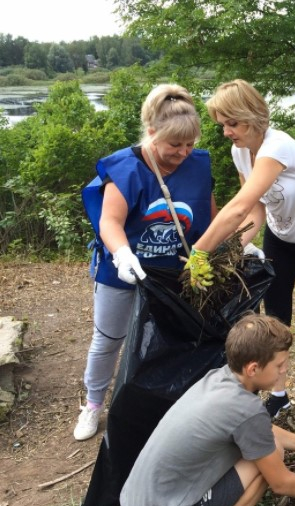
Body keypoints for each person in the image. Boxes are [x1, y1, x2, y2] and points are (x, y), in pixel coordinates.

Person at [120, 313, 295, 506]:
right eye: (280, 365)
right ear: (253, 368)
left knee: (263, 447)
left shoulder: (218, 378)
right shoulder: (247, 409)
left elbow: (253, 428)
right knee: (270, 458)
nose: (285, 370)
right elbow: (280, 482)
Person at [185, 79, 295, 417]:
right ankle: (280, 393)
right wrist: (233, 249)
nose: (226, 132)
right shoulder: (240, 151)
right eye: (222, 124)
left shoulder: (277, 147)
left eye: (232, 123)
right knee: (275, 319)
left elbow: (238, 206)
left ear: (253, 116)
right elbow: (255, 210)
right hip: (281, 239)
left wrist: (200, 250)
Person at [74, 84, 217, 441]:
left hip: (174, 269)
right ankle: (92, 405)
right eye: (174, 145)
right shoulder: (126, 169)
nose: (183, 153)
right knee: (109, 338)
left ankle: (164, 402)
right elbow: (109, 222)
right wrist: (122, 255)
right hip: (124, 269)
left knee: (170, 337)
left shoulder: (197, 164)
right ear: (152, 132)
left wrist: (230, 247)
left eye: (190, 144)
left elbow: (211, 217)